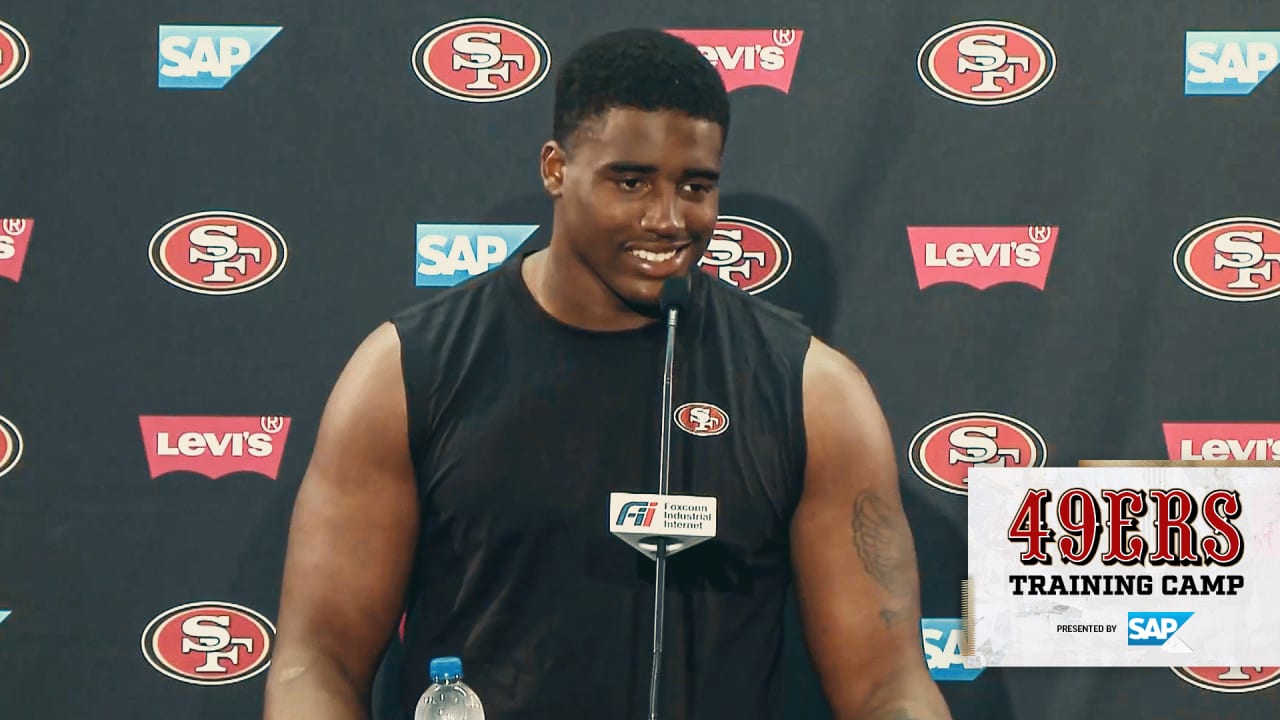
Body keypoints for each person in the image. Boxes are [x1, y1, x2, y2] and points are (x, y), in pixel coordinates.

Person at [262, 28, 953, 720]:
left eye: (696, 186)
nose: (668, 219)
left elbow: (885, 686)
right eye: (632, 181)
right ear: (556, 169)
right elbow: (316, 661)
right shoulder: (409, 370)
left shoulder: (811, 390)